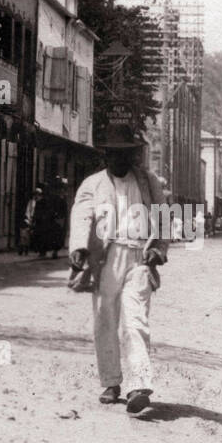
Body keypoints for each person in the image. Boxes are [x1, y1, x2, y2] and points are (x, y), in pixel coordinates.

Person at [68, 124, 167, 417]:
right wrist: (78, 247)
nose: (120, 161)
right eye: (114, 155)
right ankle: (111, 382)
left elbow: (164, 217)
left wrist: (158, 250)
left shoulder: (149, 182)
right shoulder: (93, 184)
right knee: (105, 319)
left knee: (135, 321)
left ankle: (139, 385)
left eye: (126, 155)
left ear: (134, 156)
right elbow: (82, 216)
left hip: (139, 257)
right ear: (106, 156)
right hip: (105, 258)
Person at [34, 180, 68, 258]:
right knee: (46, 236)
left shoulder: (57, 199)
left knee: (53, 236)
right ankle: (45, 251)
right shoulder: (45, 199)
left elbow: (60, 210)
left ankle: (50, 251)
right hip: (48, 220)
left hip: (52, 220)